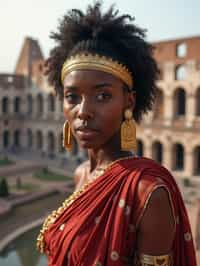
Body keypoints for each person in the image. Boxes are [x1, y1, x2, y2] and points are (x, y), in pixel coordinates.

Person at [36, 2, 197, 265]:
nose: (83, 111)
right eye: (72, 96)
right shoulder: (81, 174)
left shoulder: (148, 191)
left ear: (129, 102)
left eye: (102, 95)